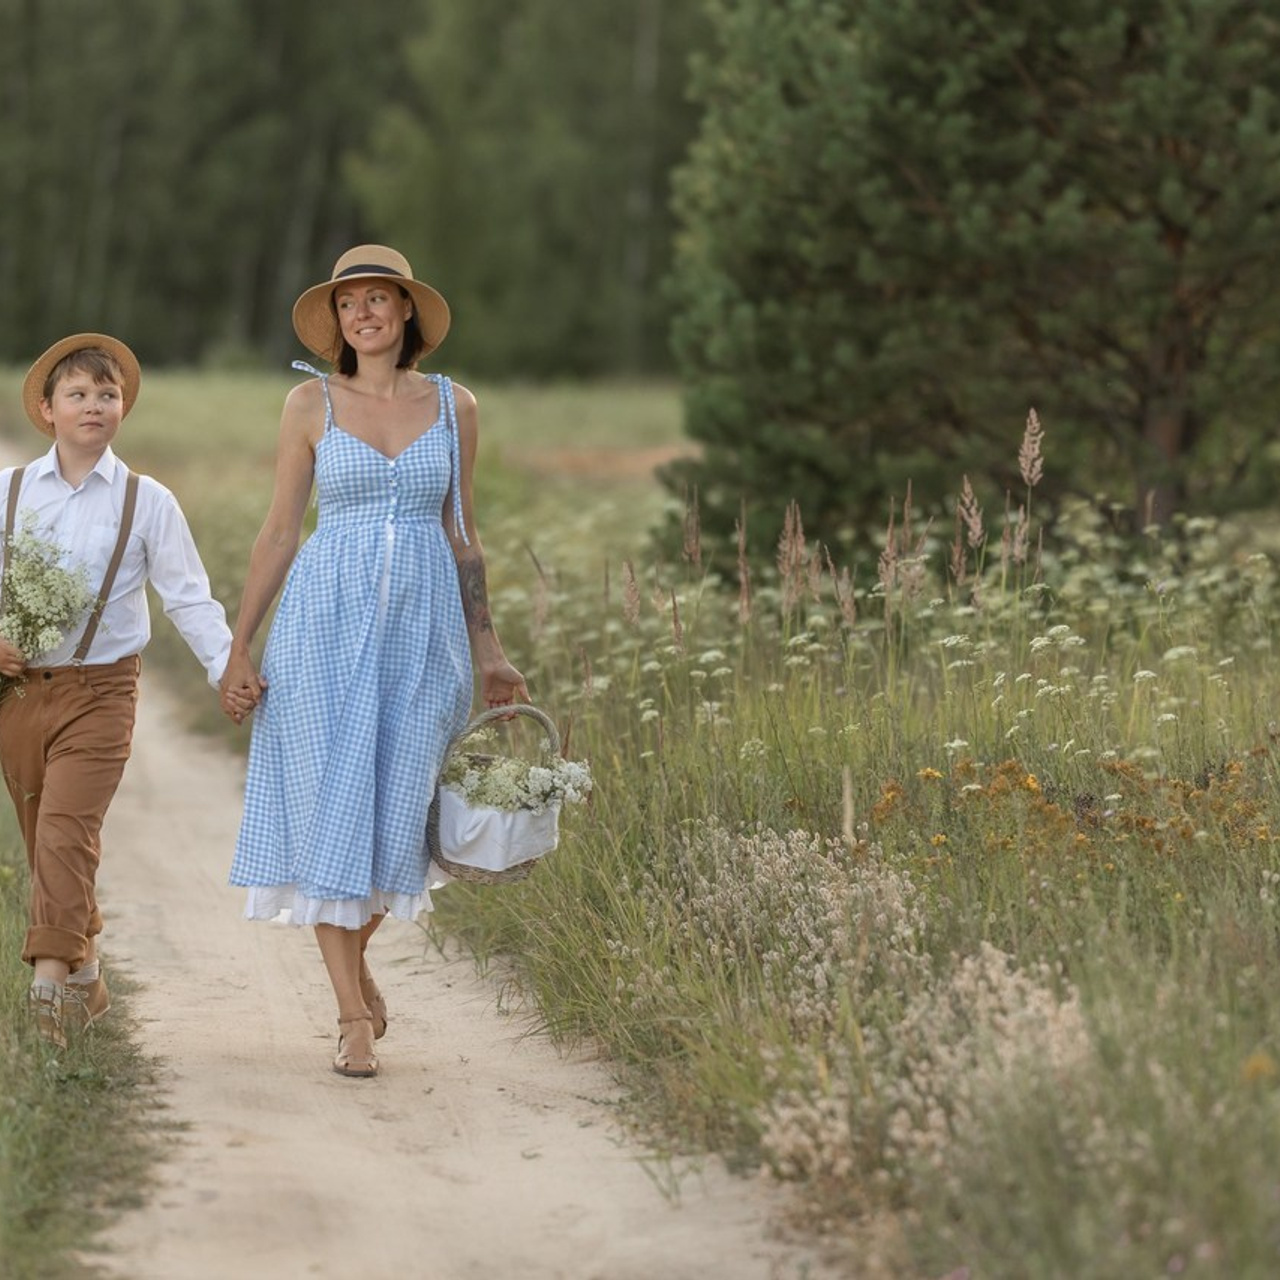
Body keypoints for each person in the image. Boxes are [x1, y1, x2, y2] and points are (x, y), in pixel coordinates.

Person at [220, 245, 528, 1080]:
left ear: (407, 313)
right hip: (321, 629)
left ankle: (354, 966)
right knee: (332, 807)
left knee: (400, 814)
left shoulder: (455, 404)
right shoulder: (307, 403)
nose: (364, 312)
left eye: (380, 298)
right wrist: (238, 646)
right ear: (337, 321)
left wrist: (489, 649)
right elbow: (281, 531)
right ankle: (353, 1015)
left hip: (425, 635)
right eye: (349, 301)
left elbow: (463, 534)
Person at [0, 333, 253, 1049]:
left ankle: (48, 989)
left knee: (65, 830)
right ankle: (87, 976)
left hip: (103, 692)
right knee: (42, 835)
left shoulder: (149, 502)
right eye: (77, 395)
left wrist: (224, 671)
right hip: (15, 692)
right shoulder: (9, 492)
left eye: (106, 395)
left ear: (122, 410)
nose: (94, 406)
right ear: (47, 410)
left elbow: (190, 600)